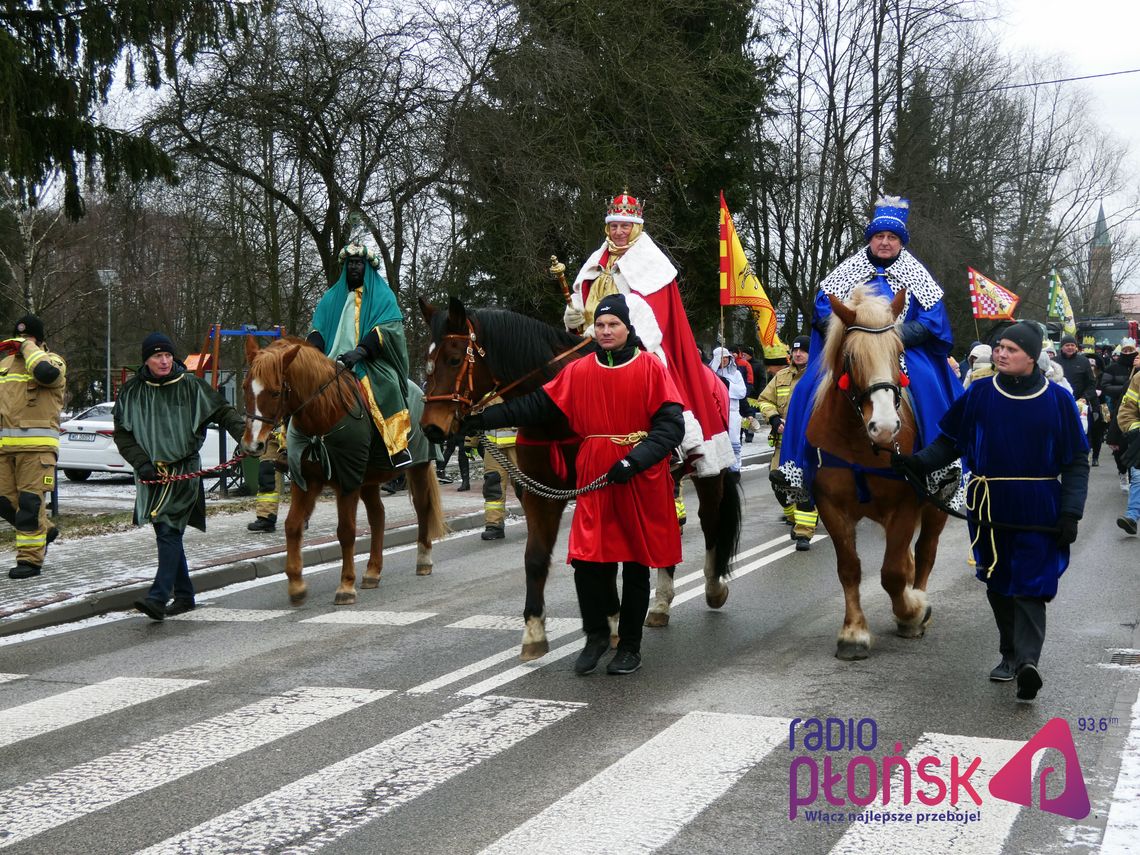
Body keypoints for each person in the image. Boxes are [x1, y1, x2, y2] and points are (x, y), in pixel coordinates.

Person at [465, 294, 684, 675]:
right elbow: (536, 406)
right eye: (599, 325)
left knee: (634, 564)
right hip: (596, 475)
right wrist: (483, 420)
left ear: (627, 328)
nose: (605, 331)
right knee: (586, 560)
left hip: (638, 474)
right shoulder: (580, 370)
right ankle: (596, 635)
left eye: (612, 324)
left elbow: (670, 426)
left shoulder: (650, 367)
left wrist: (635, 460)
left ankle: (629, 646)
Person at [892, 322, 1089, 702]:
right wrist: (918, 464)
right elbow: (950, 442)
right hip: (988, 501)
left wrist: (1071, 513)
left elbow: (1077, 461)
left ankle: (1029, 662)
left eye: (1011, 349)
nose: (1000, 353)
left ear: (1032, 357)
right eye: (999, 347)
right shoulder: (980, 393)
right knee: (997, 579)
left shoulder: (1057, 401)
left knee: (1032, 582)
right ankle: (1010, 654)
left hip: (1039, 504)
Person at [774, 196, 962, 501]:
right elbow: (823, 310)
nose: (885, 243)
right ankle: (795, 469)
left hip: (902, 348)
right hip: (853, 347)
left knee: (930, 384)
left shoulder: (919, 276)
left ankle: (941, 469)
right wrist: (852, 335)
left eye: (892, 238)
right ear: (870, 240)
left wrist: (891, 334)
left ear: (901, 242)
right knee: (807, 386)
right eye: (879, 237)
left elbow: (932, 321)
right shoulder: (846, 271)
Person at [563, 192, 733, 477]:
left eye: (625, 226)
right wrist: (574, 317)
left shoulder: (652, 262)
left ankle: (673, 446)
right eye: (614, 225)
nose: (618, 232)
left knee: (655, 380)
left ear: (637, 227)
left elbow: (650, 315)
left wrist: (606, 330)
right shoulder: (597, 259)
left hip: (638, 344)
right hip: (591, 342)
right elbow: (583, 297)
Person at [114, 333, 246, 620]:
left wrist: (245, 438)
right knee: (167, 531)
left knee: (168, 529)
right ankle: (184, 596)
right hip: (150, 474)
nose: (163, 361)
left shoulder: (191, 387)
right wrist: (141, 462)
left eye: (167, 355)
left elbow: (223, 412)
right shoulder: (131, 392)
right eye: (156, 356)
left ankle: (158, 596)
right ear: (146, 360)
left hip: (183, 470)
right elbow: (122, 434)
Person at [308, 243, 413, 469]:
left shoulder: (383, 295)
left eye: (359, 263)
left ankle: (397, 447)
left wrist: (361, 351)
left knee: (389, 386)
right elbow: (318, 329)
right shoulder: (330, 297)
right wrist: (312, 351)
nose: (354, 267)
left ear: (367, 267)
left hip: (368, 361)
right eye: (351, 263)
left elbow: (389, 329)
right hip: (330, 361)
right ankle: (288, 444)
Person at [0, 315, 65, 579]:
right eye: (19, 337)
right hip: (4, 448)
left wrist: (28, 348)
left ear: (39, 340)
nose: (21, 341)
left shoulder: (53, 362)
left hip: (36, 449)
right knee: (4, 502)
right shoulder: (4, 365)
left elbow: (46, 375)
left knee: (29, 505)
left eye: (28, 337)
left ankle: (30, 561)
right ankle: (44, 530)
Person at [757, 335, 817, 550]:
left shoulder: (818, 376)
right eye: (795, 350)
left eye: (803, 351)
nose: (798, 354)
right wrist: (773, 418)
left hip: (809, 444)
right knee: (777, 480)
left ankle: (804, 531)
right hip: (783, 443)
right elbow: (764, 400)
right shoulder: (781, 376)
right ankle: (793, 516)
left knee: (803, 484)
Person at [709, 347, 747, 471]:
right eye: (721, 357)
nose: (724, 360)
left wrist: (728, 385)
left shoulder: (735, 373)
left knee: (733, 441)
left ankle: (735, 469)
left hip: (732, 412)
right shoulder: (710, 373)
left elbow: (742, 392)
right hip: (716, 412)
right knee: (718, 442)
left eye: (726, 357)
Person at [480, 420, 518, 540]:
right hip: (492, 446)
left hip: (519, 444)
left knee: (523, 485)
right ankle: (494, 525)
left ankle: (535, 520)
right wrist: (470, 440)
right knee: (493, 485)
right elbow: (474, 410)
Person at [1116, 366, 1140, 535]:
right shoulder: (1138, 379)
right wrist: (1135, 431)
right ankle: (1131, 517)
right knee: (1138, 476)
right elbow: (1126, 411)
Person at [247, 426, 285, 532]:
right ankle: (266, 517)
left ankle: (302, 515)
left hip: (298, 432)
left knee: (301, 475)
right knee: (267, 474)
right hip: (274, 435)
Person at [1056, 333, 1096, 413]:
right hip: (1058, 403)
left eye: (1072, 345)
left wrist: (1085, 398)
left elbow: (1091, 383)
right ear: (1062, 347)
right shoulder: (1054, 361)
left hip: (1079, 403)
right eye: (1067, 345)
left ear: (1076, 347)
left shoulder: (1083, 361)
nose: (1070, 347)